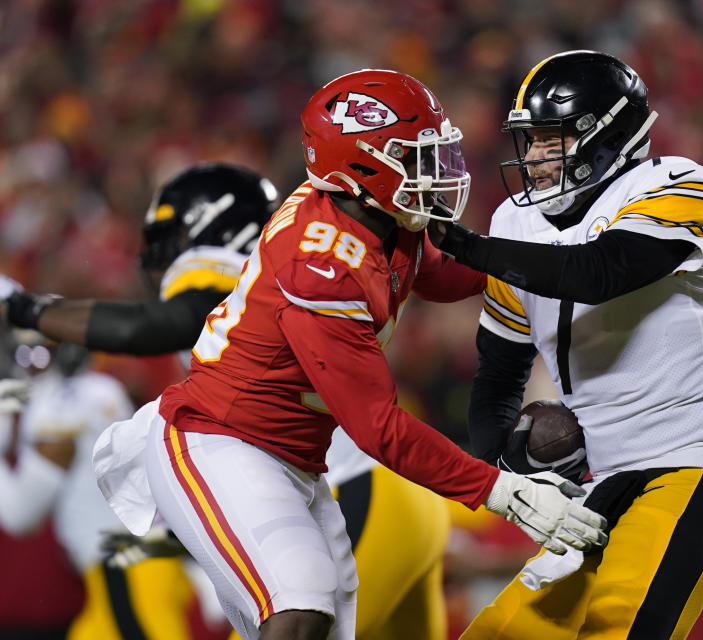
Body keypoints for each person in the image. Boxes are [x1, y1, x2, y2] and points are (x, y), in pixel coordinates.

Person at [91, 69, 608, 640]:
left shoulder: (375, 214)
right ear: (361, 164)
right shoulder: (321, 264)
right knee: (301, 603)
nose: (436, 172)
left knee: (327, 623)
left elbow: (438, 273)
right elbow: (378, 427)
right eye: (416, 156)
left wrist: (554, 263)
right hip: (218, 440)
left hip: (292, 457)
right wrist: (502, 492)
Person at [1, 161, 458, 640]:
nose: (164, 268)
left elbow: (160, 324)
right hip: (396, 498)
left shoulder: (250, 262)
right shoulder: (303, 251)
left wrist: (25, 311)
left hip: (346, 497)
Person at [428, 50, 703, 639]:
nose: (531, 157)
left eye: (548, 139)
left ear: (606, 137)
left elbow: (600, 270)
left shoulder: (680, 183)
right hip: (602, 484)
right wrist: (500, 473)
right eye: (528, 140)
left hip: (698, 467)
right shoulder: (516, 223)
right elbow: (501, 371)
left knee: (620, 626)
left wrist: (466, 247)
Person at [0, 163, 278, 640]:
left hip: (129, 568)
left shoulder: (76, 399)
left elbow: (21, 512)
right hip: (129, 570)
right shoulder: (78, 392)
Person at [0, 334, 136, 640]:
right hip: (137, 558)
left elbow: (20, 516)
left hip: (117, 563)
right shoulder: (104, 389)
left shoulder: (56, 406)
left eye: (40, 352)